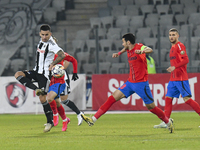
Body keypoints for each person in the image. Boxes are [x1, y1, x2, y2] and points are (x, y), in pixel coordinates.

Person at [81, 33, 174, 133]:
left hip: (141, 84)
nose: (122, 44)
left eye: (123, 42)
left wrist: (142, 51)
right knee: (112, 98)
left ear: (128, 42)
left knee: (151, 107)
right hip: (130, 83)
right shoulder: (128, 48)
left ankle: (168, 122)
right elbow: (125, 49)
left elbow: (150, 49)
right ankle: (93, 120)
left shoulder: (139, 46)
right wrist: (119, 53)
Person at [14, 24, 66, 132]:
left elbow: (62, 55)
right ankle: (36, 89)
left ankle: (50, 122)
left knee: (42, 98)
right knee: (18, 74)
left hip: (45, 75)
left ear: (50, 34)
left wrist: (53, 63)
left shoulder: (51, 44)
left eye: (47, 35)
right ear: (40, 34)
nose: (44, 37)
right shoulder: (41, 41)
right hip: (36, 71)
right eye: (43, 35)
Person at [154, 28, 200, 128]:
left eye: (174, 34)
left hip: (181, 78)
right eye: (170, 35)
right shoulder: (172, 48)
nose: (171, 36)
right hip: (173, 78)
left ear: (178, 36)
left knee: (187, 99)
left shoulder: (180, 45)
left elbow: (186, 59)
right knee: (168, 98)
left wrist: (175, 67)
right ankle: (167, 121)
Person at [49, 52, 84, 127]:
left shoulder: (60, 53)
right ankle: (54, 120)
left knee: (63, 100)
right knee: (52, 99)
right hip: (51, 79)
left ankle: (79, 114)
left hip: (62, 79)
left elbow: (71, 60)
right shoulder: (45, 53)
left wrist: (74, 72)